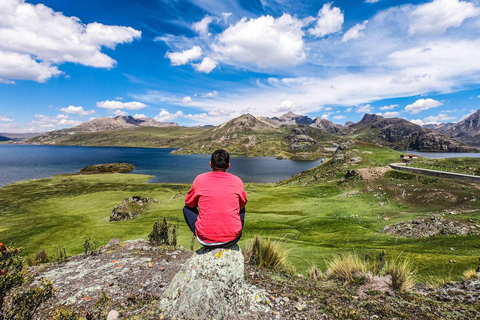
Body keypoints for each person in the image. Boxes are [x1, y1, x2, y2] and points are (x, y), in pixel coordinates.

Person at [183, 149, 247, 248]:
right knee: (242, 208)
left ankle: (203, 231)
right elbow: (242, 204)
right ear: (228, 165)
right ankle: (231, 230)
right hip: (232, 239)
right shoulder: (237, 181)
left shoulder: (200, 179)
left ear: (210, 164)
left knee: (186, 209)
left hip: (205, 240)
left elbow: (189, 203)